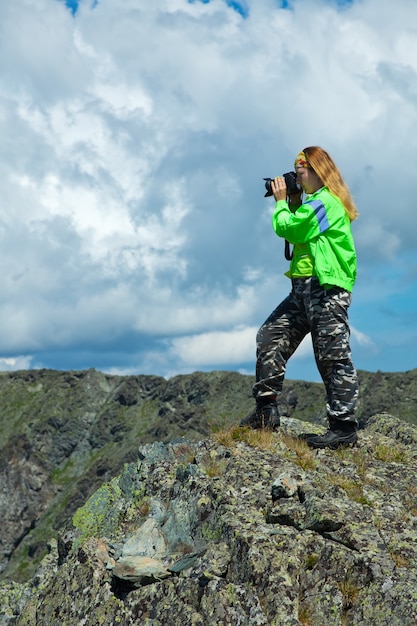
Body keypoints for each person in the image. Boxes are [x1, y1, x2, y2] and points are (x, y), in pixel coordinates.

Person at [240, 146, 359, 449]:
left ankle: (343, 427)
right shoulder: (313, 204)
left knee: (332, 355)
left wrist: (281, 203)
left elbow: (291, 229)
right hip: (302, 289)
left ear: (318, 170)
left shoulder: (326, 203)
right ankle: (266, 412)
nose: (295, 174)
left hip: (326, 288)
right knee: (270, 336)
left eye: (300, 168)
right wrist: (293, 201)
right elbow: (299, 230)